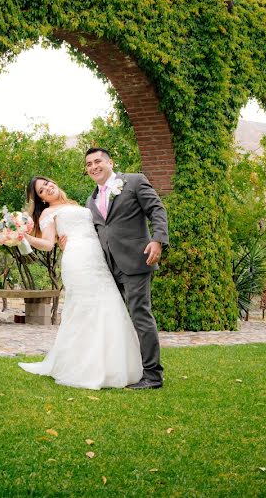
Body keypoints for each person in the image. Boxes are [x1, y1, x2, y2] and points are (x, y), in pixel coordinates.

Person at [18, 176, 143, 390]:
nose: (47, 188)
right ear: (41, 199)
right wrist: (25, 238)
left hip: (97, 258)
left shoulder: (76, 204)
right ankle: (84, 366)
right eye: (41, 190)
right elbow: (48, 244)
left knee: (109, 303)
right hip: (77, 259)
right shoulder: (48, 213)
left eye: (47, 183)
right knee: (85, 308)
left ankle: (117, 365)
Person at [71, 147, 169, 389]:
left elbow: (157, 209)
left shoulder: (134, 182)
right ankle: (120, 369)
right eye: (89, 164)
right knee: (115, 319)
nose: (93, 166)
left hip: (136, 261)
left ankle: (153, 375)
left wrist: (158, 240)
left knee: (140, 316)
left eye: (98, 161)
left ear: (110, 162)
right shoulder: (90, 200)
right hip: (107, 268)